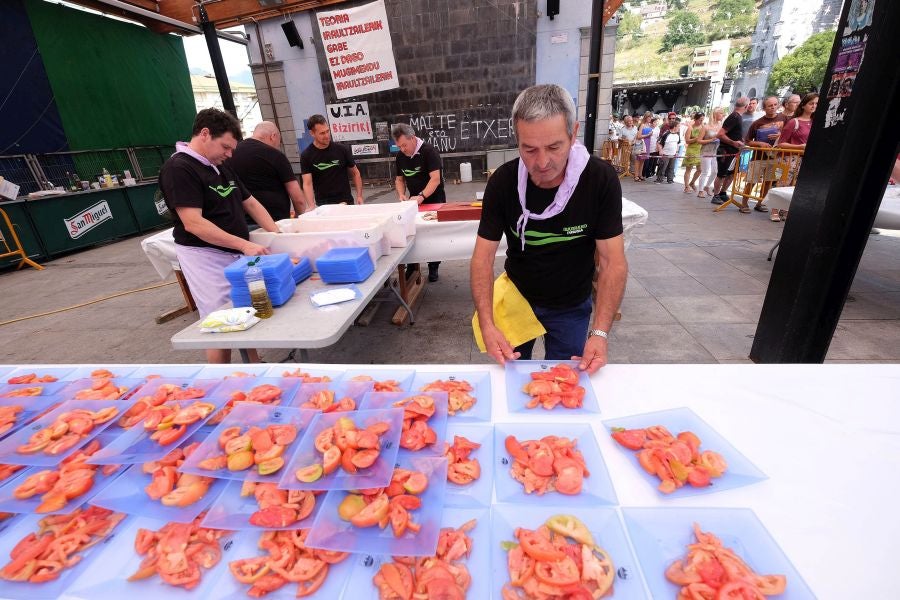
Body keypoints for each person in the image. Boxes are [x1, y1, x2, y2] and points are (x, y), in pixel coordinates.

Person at [471, 84, 627, 374]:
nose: (542, 163)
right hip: (517, 300)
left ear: (573, 133)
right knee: (515, 380)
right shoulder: (503, 183)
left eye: (554, 147)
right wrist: (487, 323)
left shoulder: (599, 180)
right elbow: (482, 258)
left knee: (566, 384)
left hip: (571, 304)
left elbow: (612, 261)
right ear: (516, 140)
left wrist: (600, 333)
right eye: (528, 149)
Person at [158, 108, 280, 364]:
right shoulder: (179, 168)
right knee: (219, 320)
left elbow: (251, 203)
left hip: (234, 253)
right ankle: (220, 377)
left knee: (246, 311)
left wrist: (280, 235)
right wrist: (244, 244)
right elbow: (194, 223)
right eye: (225, 146)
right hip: (205, 257)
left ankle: (253, 366)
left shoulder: (221, 166)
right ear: (205, 134)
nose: (229, 154)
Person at [392, 123, 446, 282]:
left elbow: (435, 179)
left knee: (432, 235)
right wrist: (401, 193)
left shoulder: (429, 152)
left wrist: (421, 196)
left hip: (433, 199)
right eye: (399, 146)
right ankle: (412, 266)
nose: (402, 149)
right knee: (411, 232)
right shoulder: (400, 156)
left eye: (404, 145)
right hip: (413, 201)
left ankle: (433, 266)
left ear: (413, 138)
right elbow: (399, 179)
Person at [226, 121, 308, 222]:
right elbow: (298, 198)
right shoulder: (275, 155)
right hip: (275, 222)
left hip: (243, 222)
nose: (278, 145)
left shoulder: (231, 154)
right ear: (273, 136)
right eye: (279, 141)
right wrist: (299, 220)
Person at [300, 114, 364, 207]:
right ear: (312, 133)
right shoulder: (306, 155)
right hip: (323, 205)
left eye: (327, 131)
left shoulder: (342, 150)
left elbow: (355, 173)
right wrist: (311, 205)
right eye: (322, 133)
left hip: (345, 202)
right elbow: (307, 183)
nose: (326, 135)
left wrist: (359, 196)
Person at [773, 92, 818, 221]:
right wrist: (799, 147)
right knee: (781, 183)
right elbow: (781, 143)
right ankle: (775, 209)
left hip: (803, 160)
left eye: (816, 104)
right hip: (787, 159)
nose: (814, 106)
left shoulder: (815, 122)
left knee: (794, 186)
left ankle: (786, 209)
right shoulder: (794, 122)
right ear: (803, 105)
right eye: (811, 103)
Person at [741, 96, 788, 213]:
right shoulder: (757, 123)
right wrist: (759, 143)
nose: (773, 107)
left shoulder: (784, 118)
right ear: (764, 107)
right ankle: (744, 203)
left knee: (769, 181)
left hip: (776, 156)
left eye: (775, 105)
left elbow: (789, 135)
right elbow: (747, 140)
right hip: (758, 157)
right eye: (770, 105)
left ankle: (760, 203)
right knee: (752, 181)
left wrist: (780, 136)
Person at [713, 97, 748, 208]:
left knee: (732, 174)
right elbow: (720, 134)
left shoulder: (737, 117)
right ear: (746, 107)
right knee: (721, 174)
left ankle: (723, 193)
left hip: (734, 152)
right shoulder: (734, 116)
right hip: (726, 151)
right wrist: (733, 143)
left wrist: (740, 141)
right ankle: (716, 195)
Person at [697, 108, 723, 199]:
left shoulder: (720, 125)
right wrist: (711, 140)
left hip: (715, 152)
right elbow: (699, 140)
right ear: (715, 114)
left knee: (715, 171)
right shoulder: (706, 127)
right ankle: (700, 190)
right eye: (721, 113)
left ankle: (707, 186)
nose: (722, 115)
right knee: (705, 171)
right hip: (706, 151)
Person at [682, 112, 704, 193]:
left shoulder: (703, 127)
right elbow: (687, 141)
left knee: (700, 169)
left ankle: (692, 182)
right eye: (699, 120)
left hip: (700, 150)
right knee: (689, 169)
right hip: (691, 150)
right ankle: (686, 186)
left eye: (702, 120)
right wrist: (696, 138)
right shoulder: (690, 128)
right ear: (695, 119)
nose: (701, 121)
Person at [655, 117, 681, 184]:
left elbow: (678, 144)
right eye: (678, 126)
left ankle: (670, 180)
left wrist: (677, 152)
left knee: (671, 167)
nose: (679, 128)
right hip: (665, 153)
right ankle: (659, 179)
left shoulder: (677, 134)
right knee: (663, 167)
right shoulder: (666, 134)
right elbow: (659, 143)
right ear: (674, 127)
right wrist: (660, 151)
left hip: (673, 154)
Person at [633, 113, 653, 182]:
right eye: (648, 117)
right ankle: (636, 175)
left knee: (643, 160)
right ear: (645, 117)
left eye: (650, 117)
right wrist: (648, 135)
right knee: (638, 159)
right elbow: (639, 136)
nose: (650, 118)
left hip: (647, 143)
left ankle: (640, 174)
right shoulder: (642, 125)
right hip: (641, 143)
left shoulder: (649, 125)